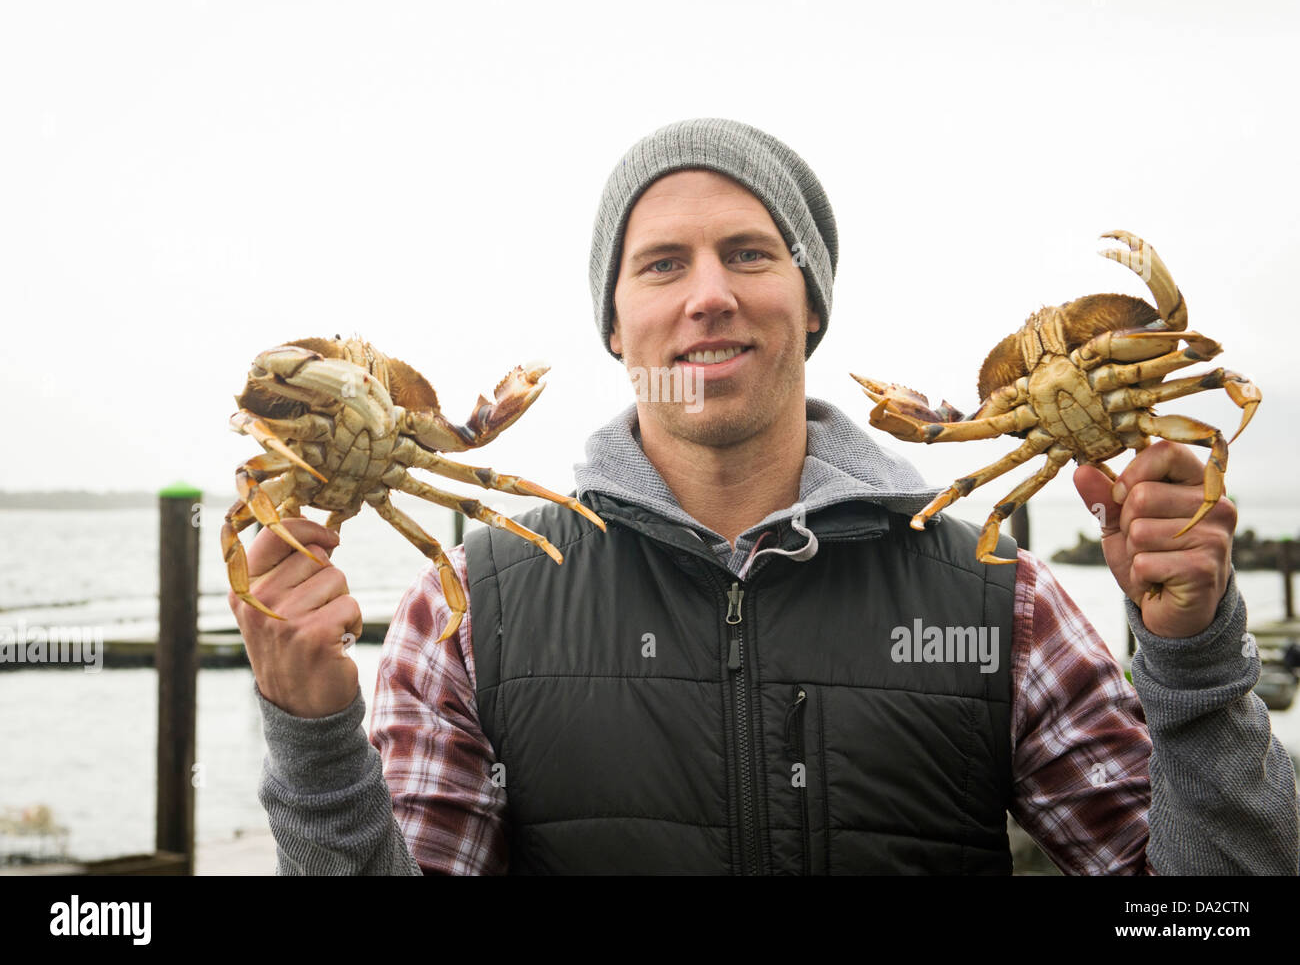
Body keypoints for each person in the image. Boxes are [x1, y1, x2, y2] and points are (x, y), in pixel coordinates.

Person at [230, 118, 1298, 875]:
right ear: (615, 326)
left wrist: (1196, 661)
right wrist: (315, 736)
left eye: (749, 253)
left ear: (810, 306)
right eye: (659, 265)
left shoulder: (999, 600)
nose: (708, 295)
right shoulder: (470, 605)